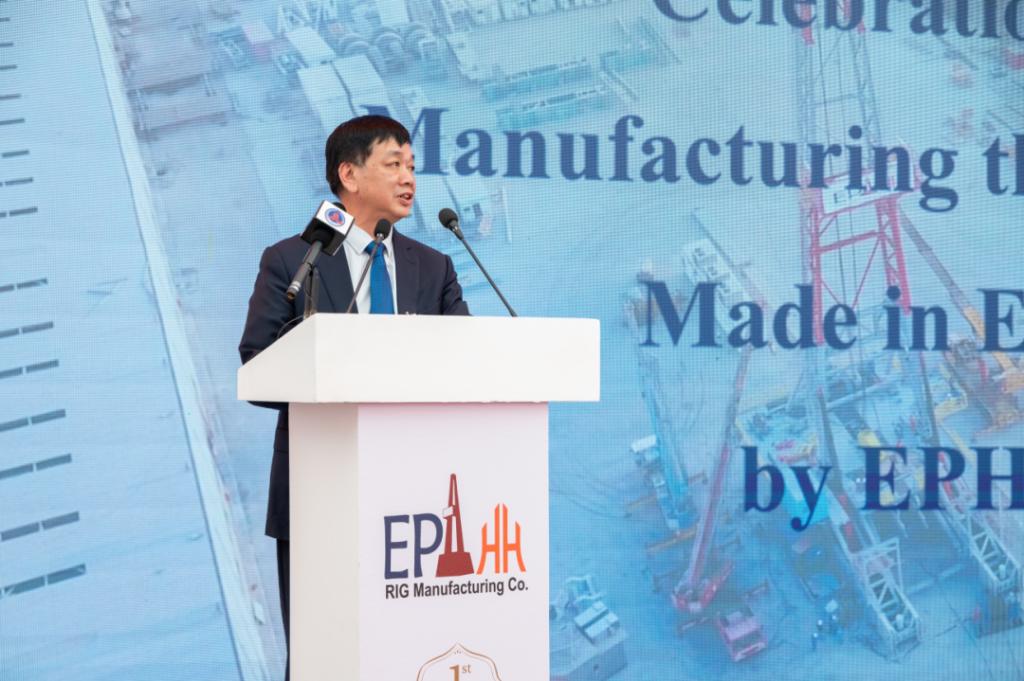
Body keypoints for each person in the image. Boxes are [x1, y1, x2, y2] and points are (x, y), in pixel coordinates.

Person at [238, 115, 470, 679]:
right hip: (321, 489)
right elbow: (258, 360)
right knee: (324, 657)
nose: (409, 178)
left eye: (412, 166)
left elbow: (469, 360)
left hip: (416, 503)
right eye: (393, 164)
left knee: (412, 653)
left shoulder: (433, 266)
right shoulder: (294, 260)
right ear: (349, 175)